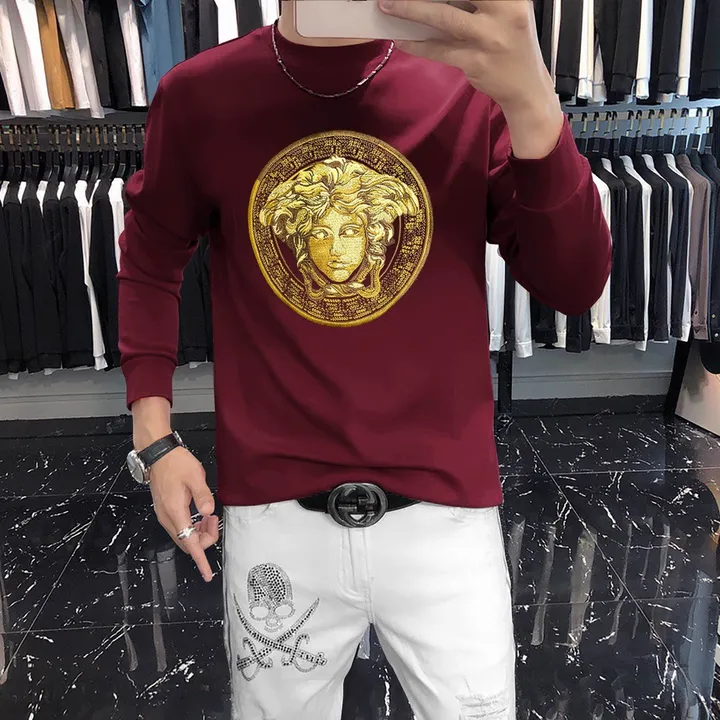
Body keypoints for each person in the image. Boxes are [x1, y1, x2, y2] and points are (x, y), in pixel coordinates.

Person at [118, 1, 612, 718]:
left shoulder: (471, 81)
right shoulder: (201, 95)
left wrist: (534, 99)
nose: (338, 246)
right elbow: (151, 257)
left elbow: (575, 282)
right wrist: (154, 440)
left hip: (446, 516)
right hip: (276, 520)